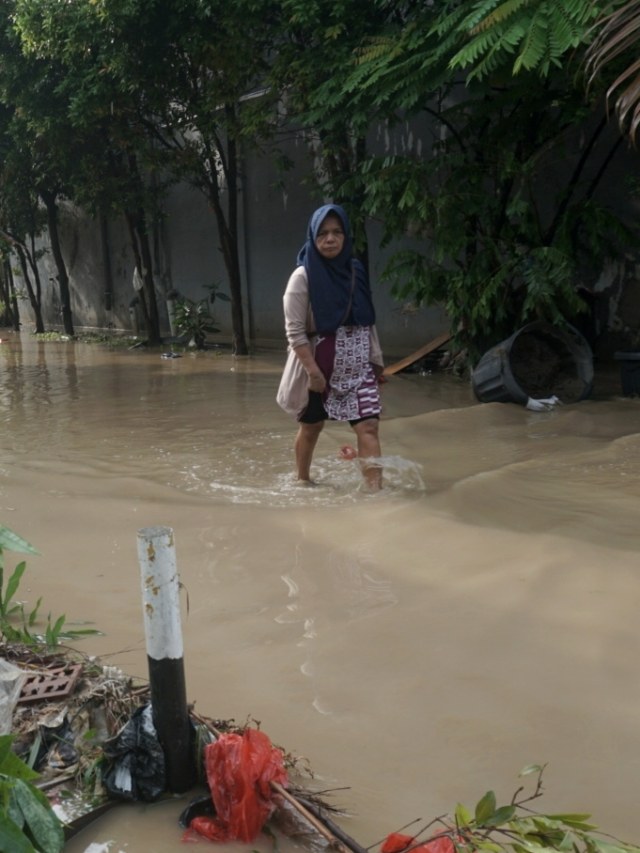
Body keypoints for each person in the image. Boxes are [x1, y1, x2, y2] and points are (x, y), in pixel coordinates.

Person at [277, 204, 384, 489]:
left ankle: (375, 493)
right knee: (312, 427)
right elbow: (295, 331)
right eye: (323, 233)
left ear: (346, 236)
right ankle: (302, 482)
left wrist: (376, 362)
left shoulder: (355, 270)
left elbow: (366, 320)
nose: (330, 239)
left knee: (369, 426)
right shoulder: (302, 277)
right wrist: (312, 372)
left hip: (359, 367)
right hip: (319, 369)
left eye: (337, 232)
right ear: (313, 237)